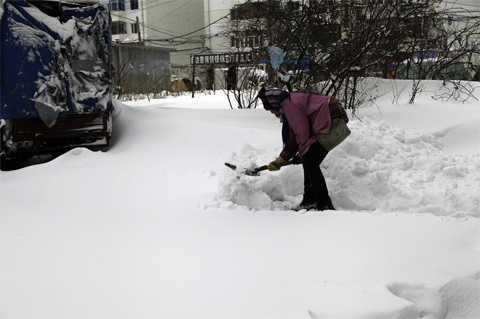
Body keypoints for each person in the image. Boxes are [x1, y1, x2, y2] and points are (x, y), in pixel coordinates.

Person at [257, 87, 346, 211]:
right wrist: (282, 158)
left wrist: (301, 153)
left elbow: (303, 132)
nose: (271, 112)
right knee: (309, 160)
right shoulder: (289, 105)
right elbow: (294, 136)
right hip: (329, 116)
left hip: (330, 116)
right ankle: (310, 200)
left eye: (270, 108)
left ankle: (324, 204)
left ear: (274, 103)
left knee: (310, 161)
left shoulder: (290, 104)